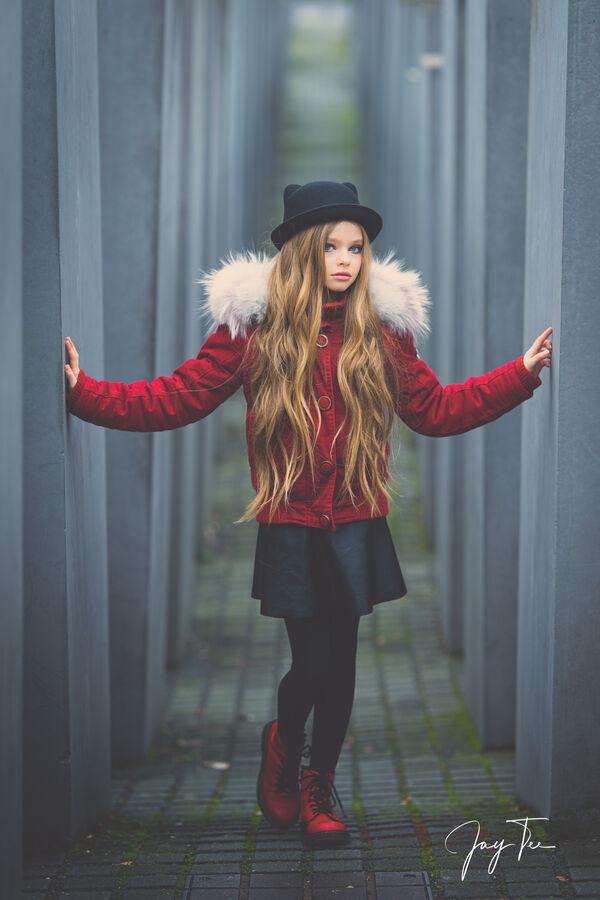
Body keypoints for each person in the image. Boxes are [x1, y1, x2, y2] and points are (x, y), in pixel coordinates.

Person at [64, 180, 552, 849]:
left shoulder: (381, 332)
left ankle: (320, 783)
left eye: (356, 247)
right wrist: (83, 393)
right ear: (300, 251)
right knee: (314, 663)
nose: (347, 259)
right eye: (331, 246)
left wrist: (519, 373)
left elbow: (435, 409)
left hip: (355, 520)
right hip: (291, 524)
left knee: (342, 661)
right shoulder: (251, 331)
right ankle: (283, 740)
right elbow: (174, 397)